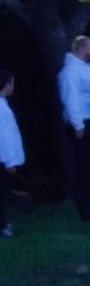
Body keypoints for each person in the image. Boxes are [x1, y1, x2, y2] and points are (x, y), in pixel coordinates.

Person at [58, 35, 90, 221]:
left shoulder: (89, 69)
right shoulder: (70, 72)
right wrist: (78, 124)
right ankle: (85, 210)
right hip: (83, 123)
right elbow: (70, 98)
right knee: (83, 168)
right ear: (83, 49)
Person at [0, 68, 23, 238]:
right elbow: (4, 136)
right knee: (2, 193)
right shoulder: (1, 108)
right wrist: (10, 161)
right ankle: (2, 226)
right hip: (3, 159)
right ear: (7, 84)